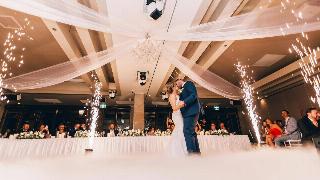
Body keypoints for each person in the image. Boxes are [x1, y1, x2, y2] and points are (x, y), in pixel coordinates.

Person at [176, 77, 201, 155]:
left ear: (179, 80)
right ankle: (197, 153)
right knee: (192, 132)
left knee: (187, 131)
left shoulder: (188, 83)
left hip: (190, 112)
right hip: (190, 112)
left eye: (176, 83)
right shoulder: (183, 88)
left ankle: (192, 154)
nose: (176, 85)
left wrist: (184, 102)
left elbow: (193, 95)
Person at [165, 82, 188, 156]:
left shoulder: (178, 95)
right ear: (173, 87)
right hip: (177, 115)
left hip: (181, 114)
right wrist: (182, 104)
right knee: (180, 129)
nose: (177, 86)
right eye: (176, 85)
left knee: (181, 130)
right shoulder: (172, 96)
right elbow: (174, 108)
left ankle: (183, 149)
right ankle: (178, 151)